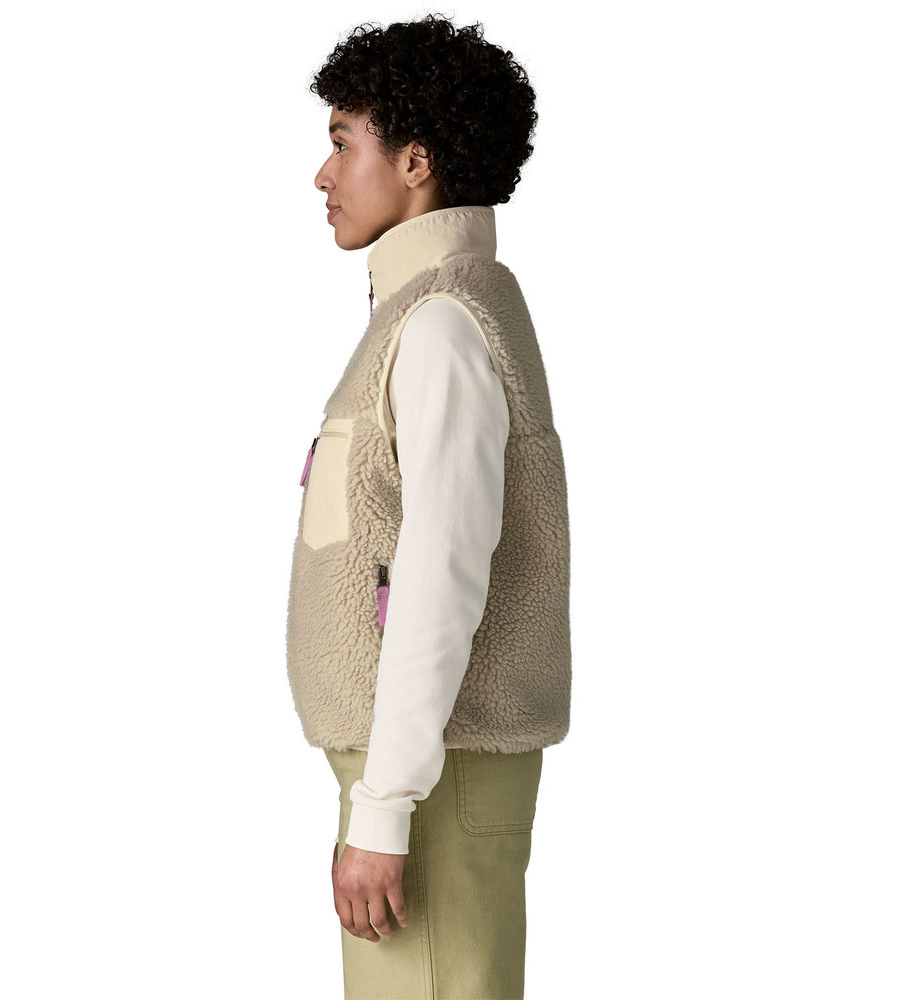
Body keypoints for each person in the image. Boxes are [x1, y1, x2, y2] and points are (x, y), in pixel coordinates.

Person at [286, 14, 572, 999]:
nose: (322, 175)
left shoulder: (442, 325)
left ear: (416, 161)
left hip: (430, 776)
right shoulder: (430, 312)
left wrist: (384, 807)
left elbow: (441, 574)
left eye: (341, 143)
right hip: (416, 772)